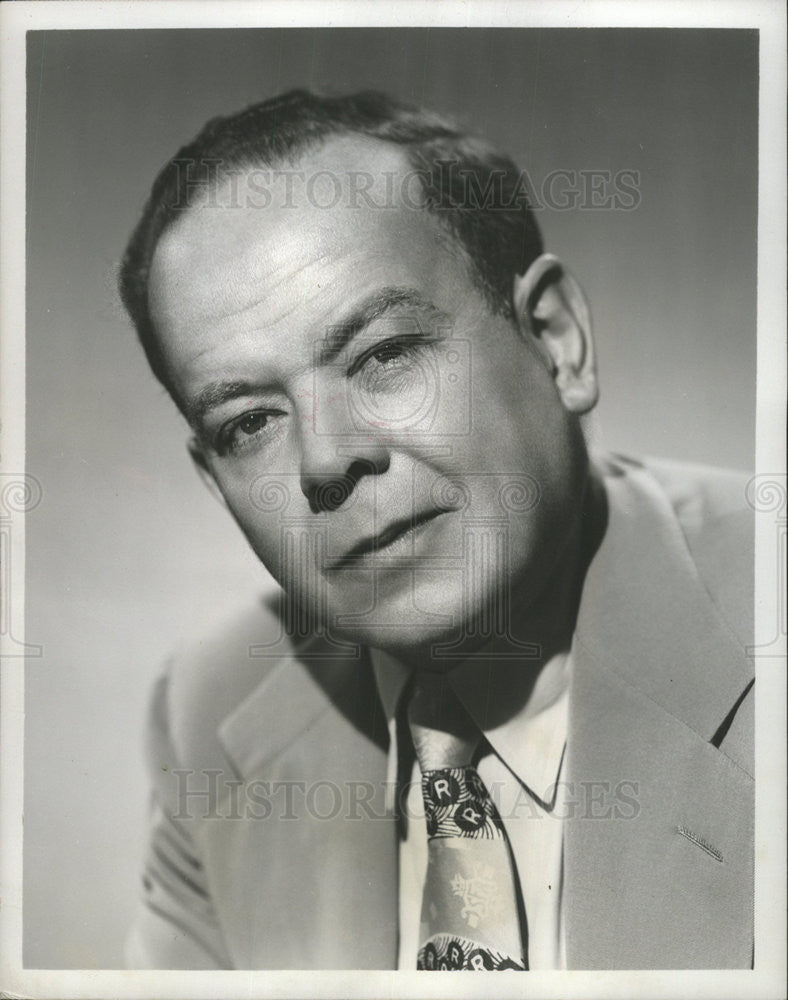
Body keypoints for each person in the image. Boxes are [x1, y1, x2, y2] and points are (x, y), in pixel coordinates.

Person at [119, 90, 754, 970]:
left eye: (383, 356)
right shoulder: (212, 712)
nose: (325, 460)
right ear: (214, 480)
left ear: (556, 339)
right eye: (249, 424)